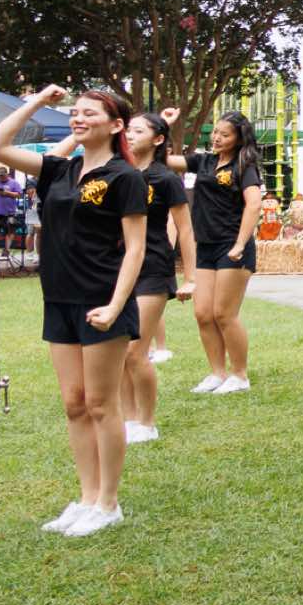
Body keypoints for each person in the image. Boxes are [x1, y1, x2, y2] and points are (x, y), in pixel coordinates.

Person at [0, 87, 146, 538]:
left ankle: (108, 503)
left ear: (116, 124)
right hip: (58, 298)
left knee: (101, 404)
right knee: (75, 404)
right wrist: (40, 101)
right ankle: (86, 497)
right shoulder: (60, 169)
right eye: (74, 113)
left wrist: (116, 305)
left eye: (89, 113)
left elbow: (136, 249)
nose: (78, 119)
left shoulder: (125, 177)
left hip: (102, 299)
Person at [160, 109, 263, 396]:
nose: (217, 138)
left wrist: (240, 244)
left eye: (224, 135)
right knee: (203, 314)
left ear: (238, 139)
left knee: (224, 314)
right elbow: (163, 159)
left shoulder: (245, 165)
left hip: (232, 246)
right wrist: (163, 125)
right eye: (215, 132)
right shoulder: (203, 161)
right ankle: (217, 373)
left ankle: (239, 375)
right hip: (206, 245)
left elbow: (254, 205)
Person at [122, 113, 193, 446]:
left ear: (158, 139)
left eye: (138, 130)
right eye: (128, 129)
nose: (130, 135)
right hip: (117, 269)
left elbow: (185, 229)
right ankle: (127, 420)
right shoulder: (119, 173)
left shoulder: (165, 178)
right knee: (118, 352)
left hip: (153, 269)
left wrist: (190, 278)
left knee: (135, 351)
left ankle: (147, 422)